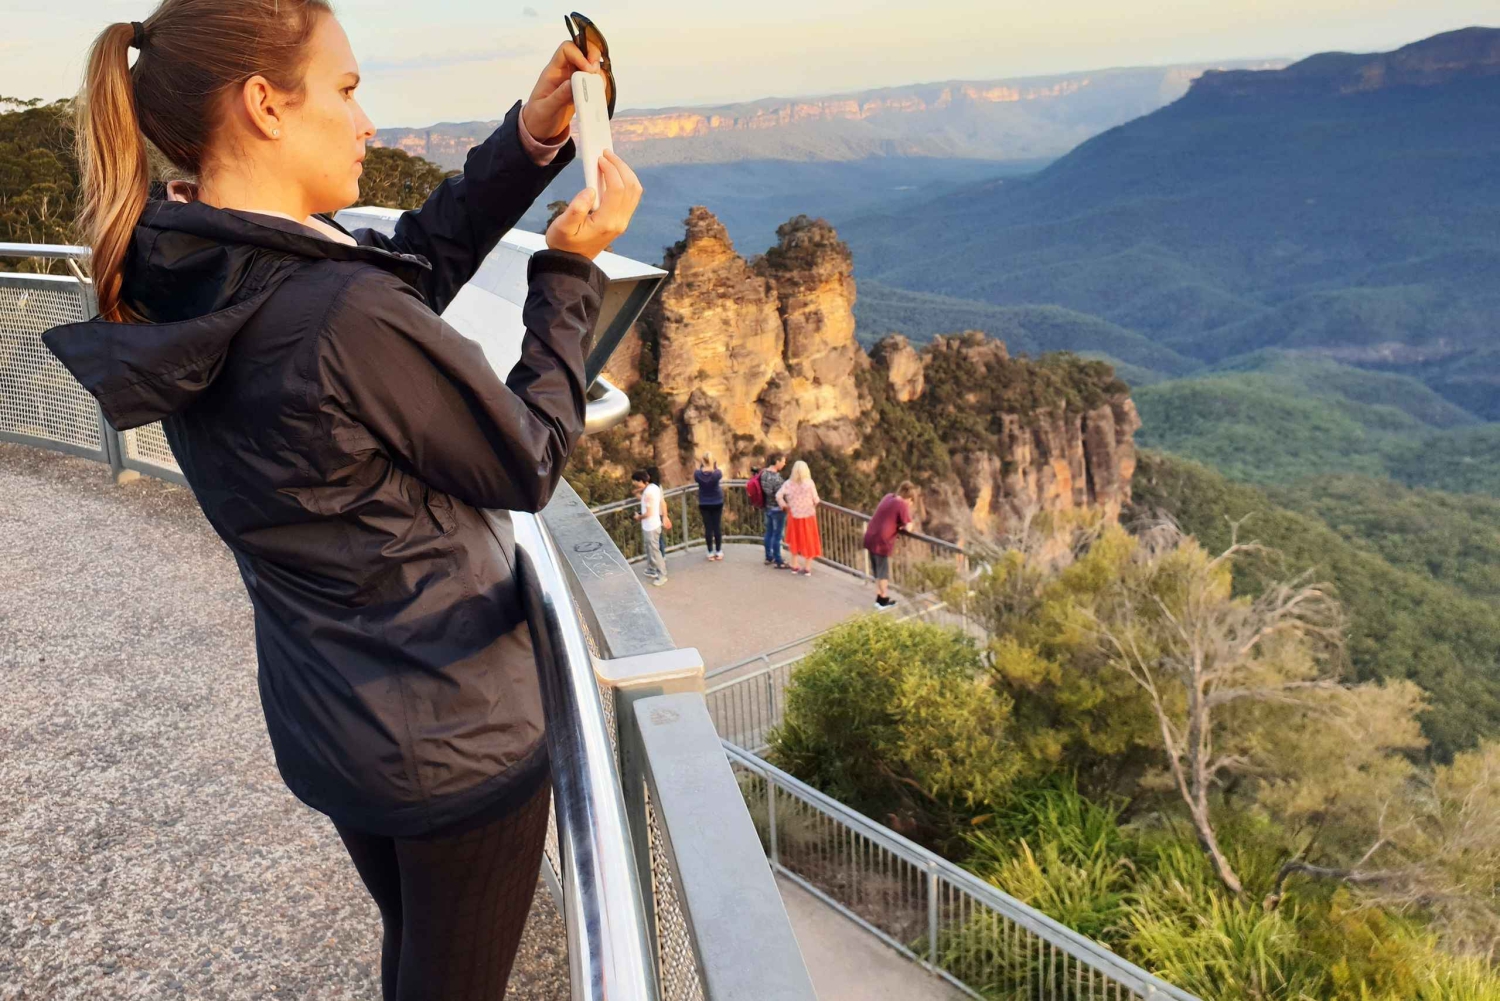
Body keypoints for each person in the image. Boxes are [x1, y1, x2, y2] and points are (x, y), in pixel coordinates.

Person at [42, 5, 642, 1000]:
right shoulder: (329, 311)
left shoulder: (182, 260)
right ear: (265, 105)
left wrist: (530, 141)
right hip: (448, 733)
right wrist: (569, 272)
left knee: (416, 944)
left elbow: (407, 271)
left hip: (333, 712)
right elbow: (529, 458)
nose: (367, 122)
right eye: (348, 90)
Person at [864, 481, 918, 608]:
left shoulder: (888, 497)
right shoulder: (902, 504)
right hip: (882, 541)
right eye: (911, 502)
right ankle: (883, 600)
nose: (910, 505)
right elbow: (908, 527)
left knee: (877, 570)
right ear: (909, 498)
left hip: (871, 535)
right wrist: (911, 524)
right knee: (883, 572)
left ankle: (879, 598)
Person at [777, 460, 823, 576]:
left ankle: (794, 565)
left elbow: (778, 495)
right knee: (809, 539)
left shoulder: (788, 483)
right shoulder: (809, 483)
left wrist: (784, 505)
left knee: (795, 539)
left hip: (794, 515)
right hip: (808, 516)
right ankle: (807, 568)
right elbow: (816, 500)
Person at [633, 469, 669, 586]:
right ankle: (653, 569)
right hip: (653, 524)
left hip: (651, 526)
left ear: (641, 481)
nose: (635, 484)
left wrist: (639, 517)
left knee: (655, 551)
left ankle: (662, 575)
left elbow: (648, 513)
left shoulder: (648, 493)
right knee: (652, 550)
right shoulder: (654, 487)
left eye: (636, 482)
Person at [758, 454, 789, 569]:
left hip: (767, 507)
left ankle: (768, 556)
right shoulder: (777, 478)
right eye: (783, 461)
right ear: (777, 461)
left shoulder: (763, 473)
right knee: (777, 535)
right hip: (778, 509)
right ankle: (778, 560)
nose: (784, 464)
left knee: (769, 533)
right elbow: (781, 494)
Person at [694, 454, 725, 561]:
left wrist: (702, 466)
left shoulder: (698, 474)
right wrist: (714, 465)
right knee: (717, 527)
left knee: (708, 528)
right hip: (717, 502)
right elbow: (718, 471)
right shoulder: (716, 474)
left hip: (704, 503)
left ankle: (710, 552)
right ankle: (718, 551)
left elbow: (698, 471)